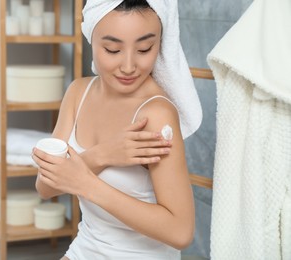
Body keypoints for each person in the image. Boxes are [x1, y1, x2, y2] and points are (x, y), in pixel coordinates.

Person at [32, 0, 202, 259]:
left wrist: (88, 185)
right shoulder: (78, 93)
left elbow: (180, 232)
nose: (129, 66)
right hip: (86, 247)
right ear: (91, 37)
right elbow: (45, 187)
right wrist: (104, 154)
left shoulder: (156, 115)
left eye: (145, 48)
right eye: (112, 49)